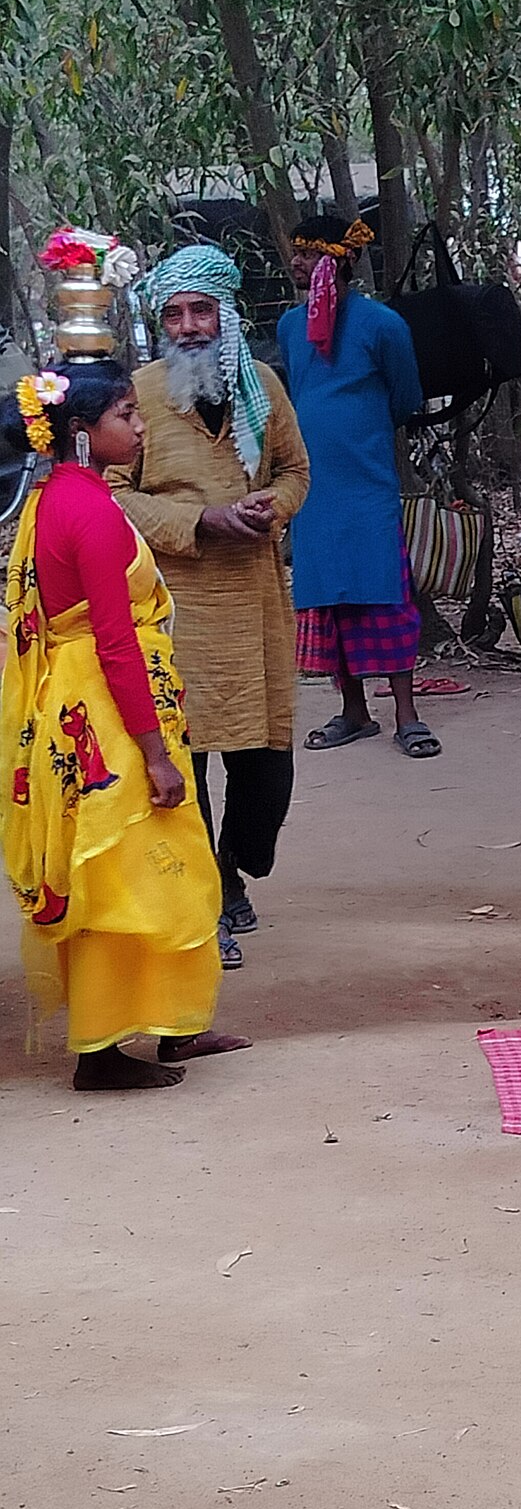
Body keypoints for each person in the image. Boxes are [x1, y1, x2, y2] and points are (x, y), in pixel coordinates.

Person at [1, 362, 247, 1089]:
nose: (141, 428)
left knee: (156, 868)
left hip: (86, 706)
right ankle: (100, 1053)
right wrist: (155, 755)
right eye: (127, 416)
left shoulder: (52, 500)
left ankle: (175, 1025)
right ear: (82, 432)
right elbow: (113, 640)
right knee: (119, 877)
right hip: (106, 718)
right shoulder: (92, 512)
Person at [109, 246, 310, 970]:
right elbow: (109, 491)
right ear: (161, 324)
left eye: (202, 310)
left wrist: (272, 507)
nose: (189, 325)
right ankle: (205, 898)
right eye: (175, 313)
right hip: (175, 608)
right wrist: (196, 523)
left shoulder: (262, 385)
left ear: (228, 314)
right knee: (185, 761)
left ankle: (235, 866)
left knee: (264, 771)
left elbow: (296, 469)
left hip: (256, 604)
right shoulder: (139, 393)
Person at [279, 210, 438, 759]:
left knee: (383, 593)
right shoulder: (288, 327)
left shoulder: (382, 325)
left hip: (366, 483)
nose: (295, 262)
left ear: (336, 259)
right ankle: (353, 712)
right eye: (295, 252)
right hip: (311, 489)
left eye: (306, 252)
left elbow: (406, 397)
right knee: (327, 599)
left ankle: (408, 715)